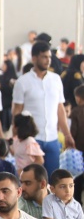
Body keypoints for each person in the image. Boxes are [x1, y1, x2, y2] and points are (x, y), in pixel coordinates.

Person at [12, 41, 74, 174]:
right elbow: (17, 112)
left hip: (52, 138)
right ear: (34, 58)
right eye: (44, 57)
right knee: (34, 180)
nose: (48, 60)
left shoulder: (56, 80)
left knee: (53, 179)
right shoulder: (22, 82)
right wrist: (15, 138)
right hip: (31, 139)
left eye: (49, 57)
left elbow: (60, 109)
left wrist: (67, 134)